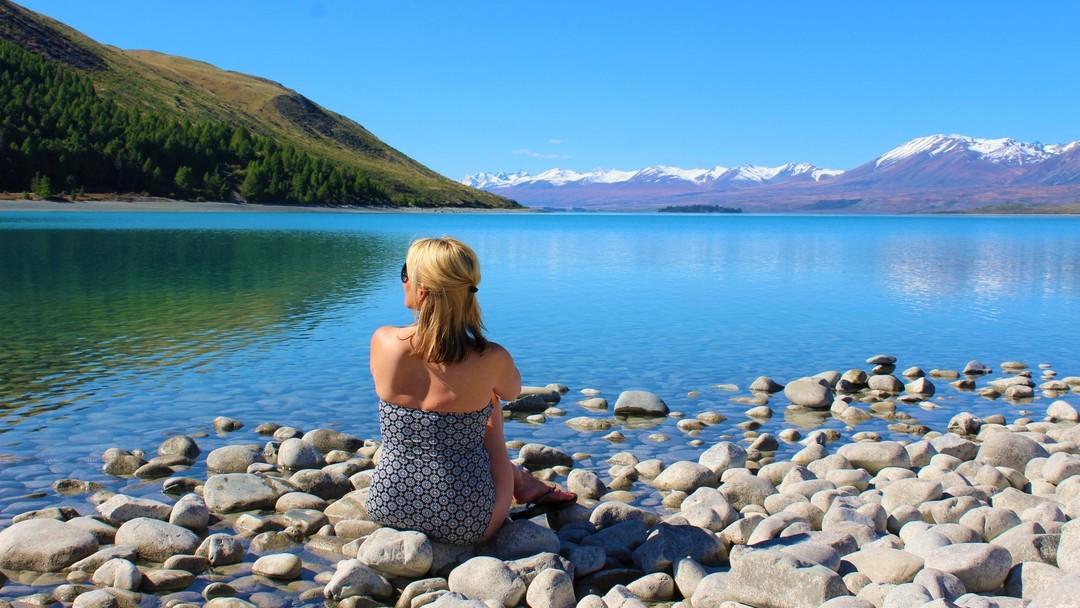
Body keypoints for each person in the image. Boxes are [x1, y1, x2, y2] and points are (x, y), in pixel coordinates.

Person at [365, 237, 576, 545]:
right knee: (491, 403)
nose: (403, 281)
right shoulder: (491, 358)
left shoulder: (384, 341)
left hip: (387, 505)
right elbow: (513, 391)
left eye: (405, 273)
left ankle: (521, 479)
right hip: (467, 522)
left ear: (421, 290)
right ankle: (519, 480)